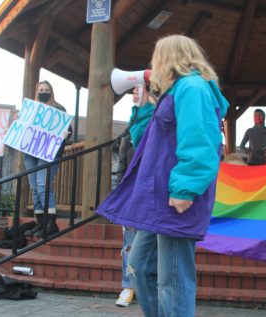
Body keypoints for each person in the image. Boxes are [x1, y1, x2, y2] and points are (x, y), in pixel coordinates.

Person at [96, 34, 229, 317]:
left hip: (175, 195)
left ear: (168, 57)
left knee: (173, 279)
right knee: (139, 266)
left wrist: (185, 188)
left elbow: (200, 140)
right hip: (160, 199)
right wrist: (146, 107)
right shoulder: (180, 90)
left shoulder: (192, 87)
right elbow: (149, 139)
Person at [115, 84, 155, 307]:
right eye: (133, 90)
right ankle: (128, 285)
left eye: (141, 89)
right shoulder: (130, 130)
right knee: (129, 242)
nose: (135, 92)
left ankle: (147, 284)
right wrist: (119, 191)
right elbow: (122, 165)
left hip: (150, 191)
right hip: (132, 192)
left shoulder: (155, 122)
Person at [23, 80, 72, 238]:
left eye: (46, 89)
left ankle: (51, 223)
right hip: (31, 152)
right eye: (41, 89)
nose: (43, 92)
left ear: (51, 91)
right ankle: (41, 222)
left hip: (50, 152)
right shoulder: (31, 110)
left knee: (43, 185)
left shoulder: (59, 109)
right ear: (37, 92)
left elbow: (68, 129)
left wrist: (66, 134)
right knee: (35, 188)